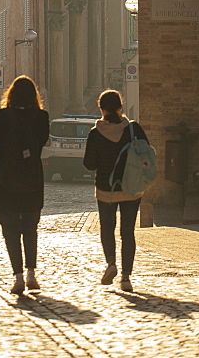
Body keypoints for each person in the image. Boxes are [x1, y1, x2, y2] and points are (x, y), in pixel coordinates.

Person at [0, 76, 49, 295]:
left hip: (6, 178)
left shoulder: (3, 116)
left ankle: (18, 277)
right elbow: (41, 143)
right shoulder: (41, 117)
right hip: (31, 176)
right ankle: (32, 273)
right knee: (31, 228)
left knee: (10, 230)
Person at [82, 89, 149, 292]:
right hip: (131, 187)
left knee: (107, 229)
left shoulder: (96, 133)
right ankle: (126, 278)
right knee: (127, 232)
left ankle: (111, 263)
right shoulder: (133, 129)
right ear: (121, 107)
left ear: (101, 109)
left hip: (106, 189)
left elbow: (89, 164)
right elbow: (147, 151)